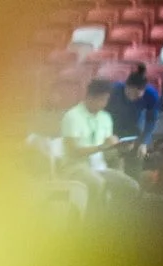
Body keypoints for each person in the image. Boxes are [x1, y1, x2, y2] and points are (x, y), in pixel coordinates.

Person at [60, 78, 139, 209]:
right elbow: (73, 151)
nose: (104, 104)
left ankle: (116, 220)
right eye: (102, 100)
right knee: (98, 183)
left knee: (131, 186)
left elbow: (108, 149)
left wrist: (121, 148)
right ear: (90, 97)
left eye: (106, 99)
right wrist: (101, 147)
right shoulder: (72, 116)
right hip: (75, 167)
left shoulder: (105, 118)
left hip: (99, 167)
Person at [104, 64, 163, 174]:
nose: (132, 97)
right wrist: (108, 134)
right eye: (129, 93)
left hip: (134, 131)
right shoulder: (114, 90)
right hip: (113, 129)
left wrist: (144, 142)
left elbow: (151, 120)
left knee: (136, 163)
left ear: (144, 91)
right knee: (113, 165)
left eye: (136, 95)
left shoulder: (152, 95)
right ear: (125, 86)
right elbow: (103, 115)